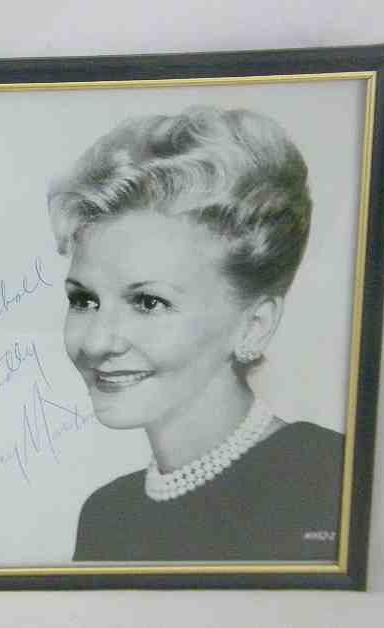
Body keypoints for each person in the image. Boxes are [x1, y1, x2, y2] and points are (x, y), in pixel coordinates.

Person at [47, 107, 344, 562]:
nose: (96, 342)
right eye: (84, 300)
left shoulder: (331, 478)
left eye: (149, 302)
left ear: (254, 326)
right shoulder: (108, 516)